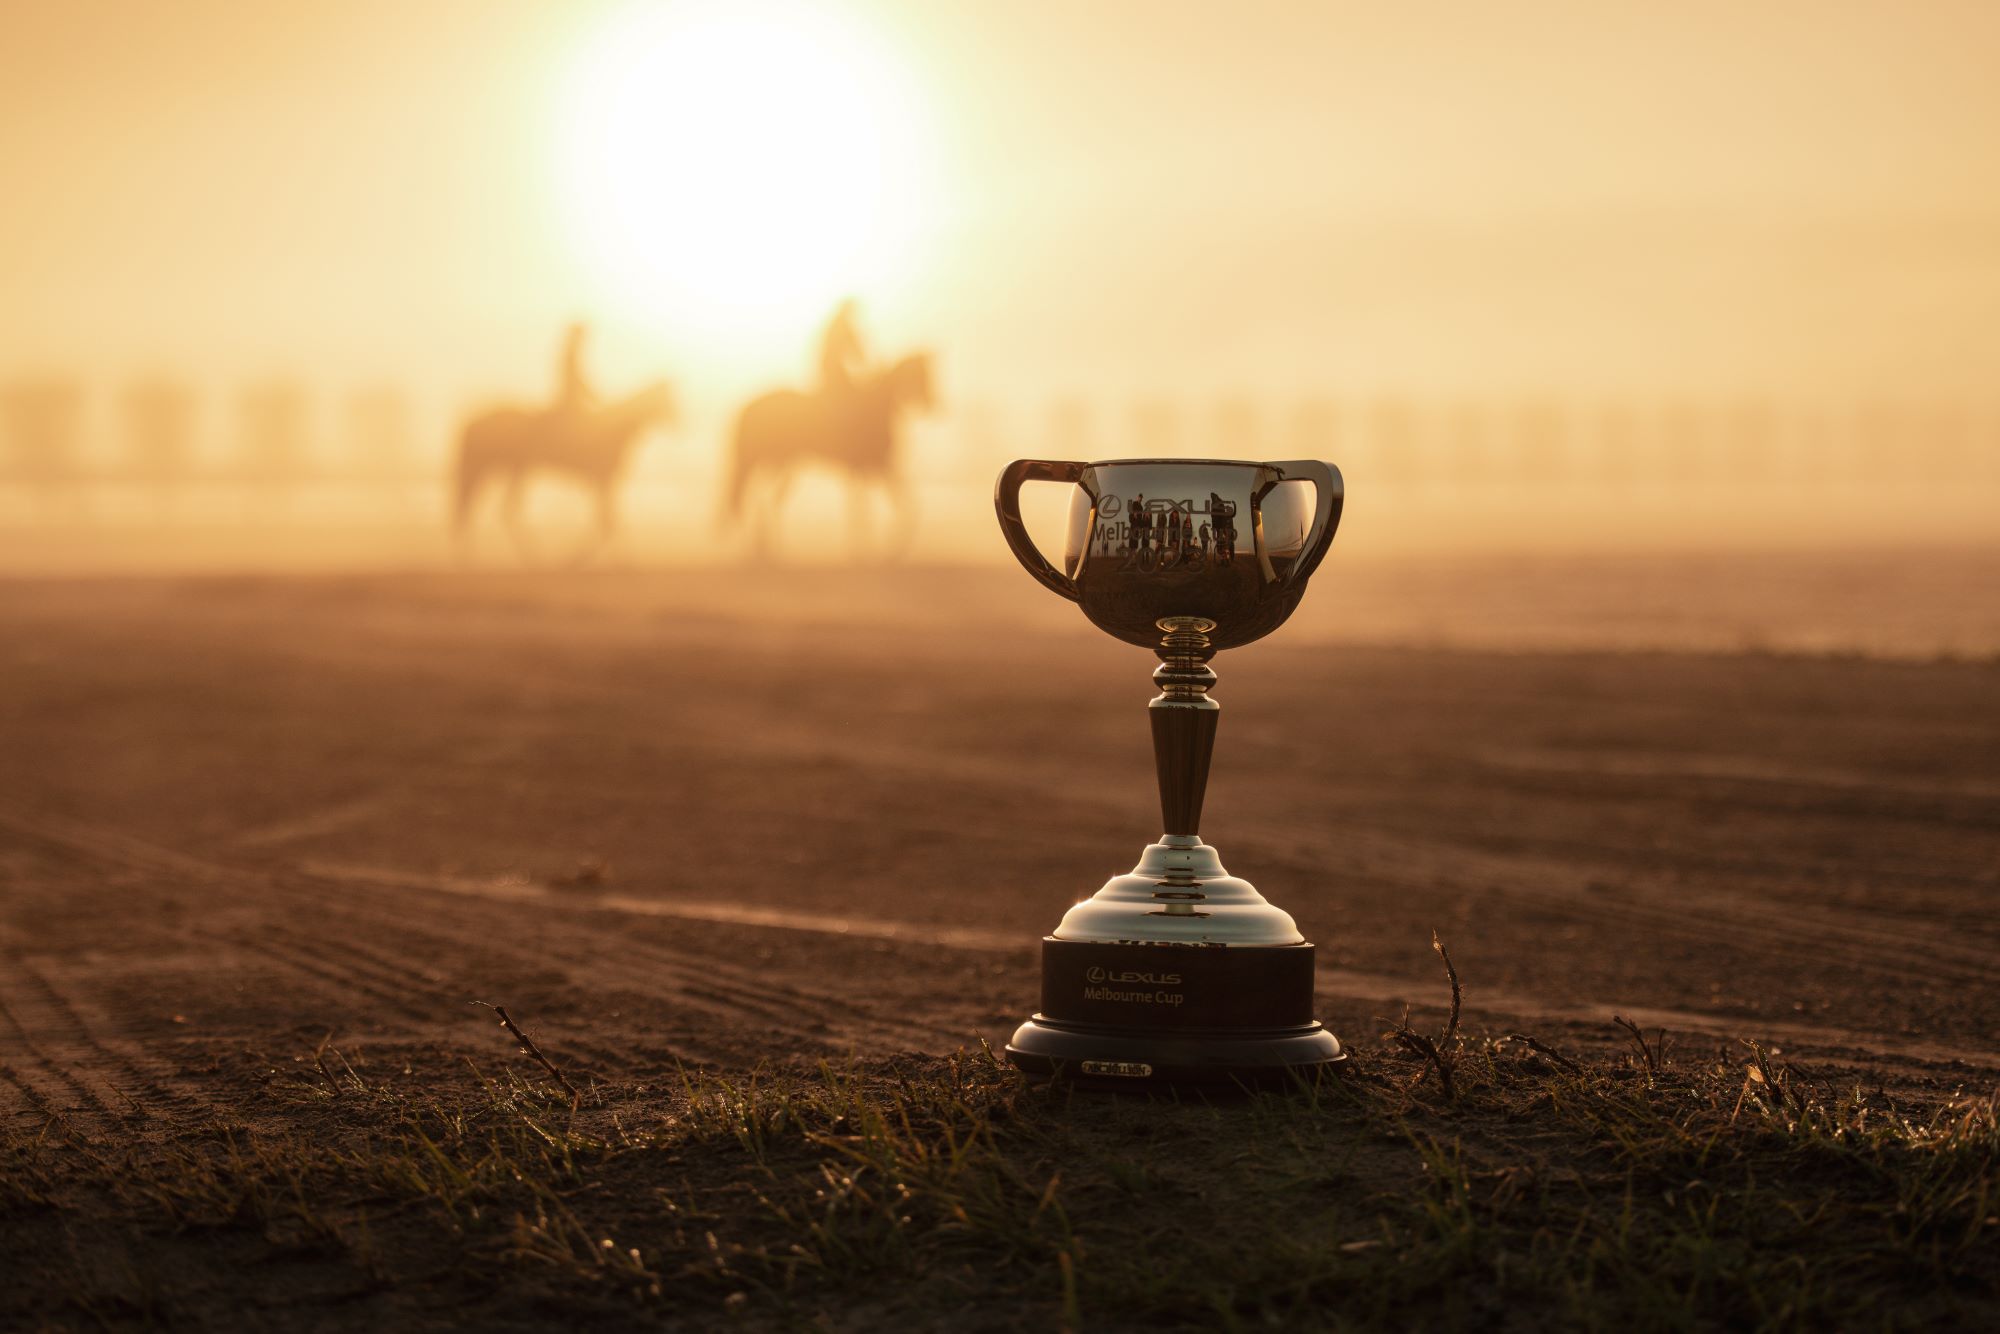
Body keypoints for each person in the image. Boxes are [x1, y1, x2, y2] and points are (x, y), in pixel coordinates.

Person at [817, 299, 867, 397]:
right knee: (847, 394)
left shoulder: (837, 323)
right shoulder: (843, 325)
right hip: (833, 368)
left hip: (829, 366)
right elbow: (856, 349)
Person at [553, 322, 596, 422]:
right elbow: (575, 378)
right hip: (571, 402)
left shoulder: (569, 353)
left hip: (572, 400)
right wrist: (591, 394)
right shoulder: (570, 355)